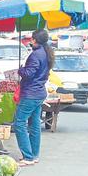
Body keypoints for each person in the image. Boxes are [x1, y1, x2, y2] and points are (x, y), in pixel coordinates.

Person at [15, 29, 52, 166]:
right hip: (39, 93)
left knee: (19, 123)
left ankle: (28, 156)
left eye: (32, 39)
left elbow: (29, 73)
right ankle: (34, 155)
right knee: (34, 124)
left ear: (35, 40)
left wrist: (20, 70)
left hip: (30, 94)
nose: (31, 41)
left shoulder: (36, 55)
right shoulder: (46, 53)